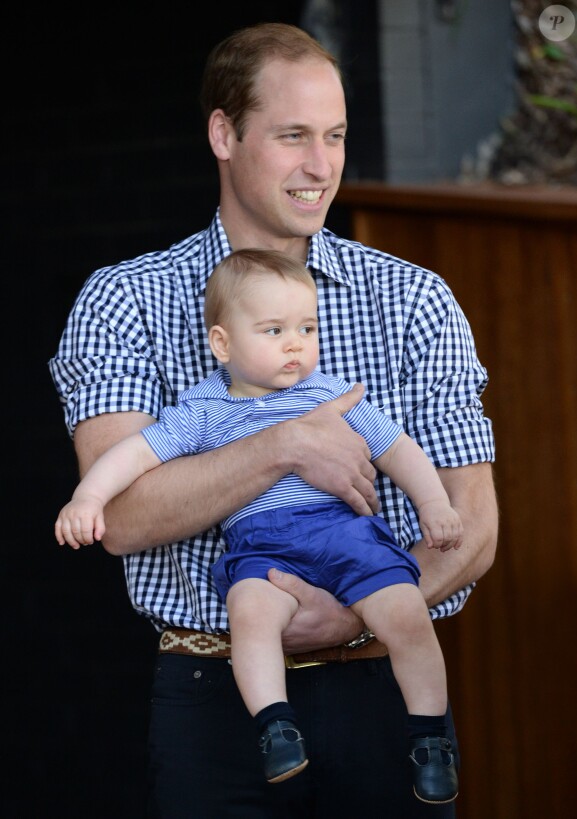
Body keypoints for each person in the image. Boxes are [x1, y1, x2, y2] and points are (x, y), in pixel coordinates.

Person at [48, 21, 498, 819]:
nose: (320, 166)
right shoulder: (125, 300)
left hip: (385, 686)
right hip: (213, 696)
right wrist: (285, 445)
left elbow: (475, 523)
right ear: (224, 133)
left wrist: (355, 611)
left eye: (335, 136)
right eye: (293, 136)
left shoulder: (414, 300)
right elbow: (118, 516)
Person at [56, 248, 464, 803]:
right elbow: (136, 455)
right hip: (262, 543)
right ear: (222, 343)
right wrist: (89, 496)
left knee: (407, 612)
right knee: (249, 611)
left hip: (343, 532)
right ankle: (276, 724)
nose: (295, 343)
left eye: (307, 327)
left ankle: (429, 735)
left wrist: (435, 505)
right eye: (274, 330)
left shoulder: (331, 393)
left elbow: (399, 450)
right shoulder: (204, 408)